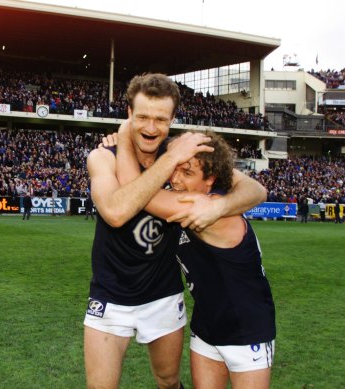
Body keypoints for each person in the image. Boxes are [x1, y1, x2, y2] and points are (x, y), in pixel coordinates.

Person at [84, 73, 267, 389]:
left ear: (172, 119)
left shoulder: (188, 156)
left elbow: (254, 189)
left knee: (169, 382)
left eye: (160, 119)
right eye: (142, 117)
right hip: (110, 294)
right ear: (129, 114)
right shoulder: (103, 157)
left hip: (163, 294)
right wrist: (163, 156)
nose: (151, 128)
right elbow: (115, 213)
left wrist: (219, 207)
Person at [116, 129, 275, 389]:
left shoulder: (203, 207)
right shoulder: (211, 195)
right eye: (174, 167)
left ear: (211, 180)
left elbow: (136, 191)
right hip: (206, 327)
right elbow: (254, 188)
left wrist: (123, 138)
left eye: (187, 172)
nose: (175, 179)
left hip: (248, 331)